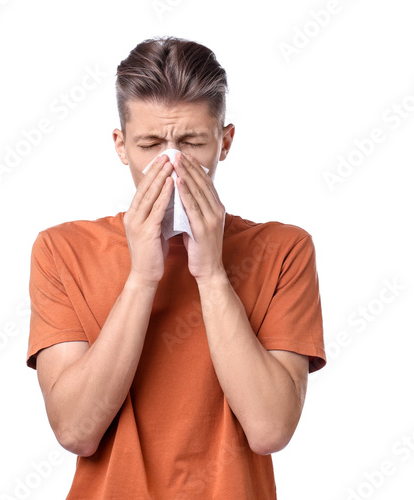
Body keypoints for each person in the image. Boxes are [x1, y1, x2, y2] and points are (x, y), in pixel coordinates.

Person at [26, 36, 326, 499]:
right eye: (149, 144)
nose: (171, 164)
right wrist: (142, 277)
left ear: (224, 143)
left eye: (191, 142)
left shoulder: (284, 250)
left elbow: (270, 430)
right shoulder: (62, 250)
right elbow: (75, 431)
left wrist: (212, 274)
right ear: (121, 145)